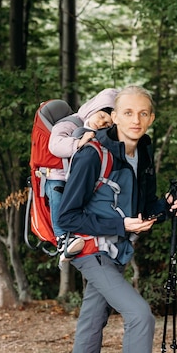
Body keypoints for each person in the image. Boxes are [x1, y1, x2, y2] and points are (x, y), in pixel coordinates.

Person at [57, 85, 177, 353]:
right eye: (128, 112)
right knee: (139, 313)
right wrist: (120, 223)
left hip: (116, 247)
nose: (136, 119)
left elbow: (142, 208)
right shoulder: (92, 154)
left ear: (152, 118)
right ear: (113, 116)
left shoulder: (142, 151)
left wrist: (168, 208)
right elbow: (66, 217)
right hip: (88, 248)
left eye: (144, 113)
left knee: (93, 316)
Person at [46, 88, 117, 262]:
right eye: (101, 117)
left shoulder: (100, 134)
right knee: (57, 197)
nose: (102, 123)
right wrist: (77, 143)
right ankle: (62, 239)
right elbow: (55, 144)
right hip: (57, 175)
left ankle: (80, 233)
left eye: (108, 123)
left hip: (76, 178)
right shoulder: (70, 124)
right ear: (93, 109)